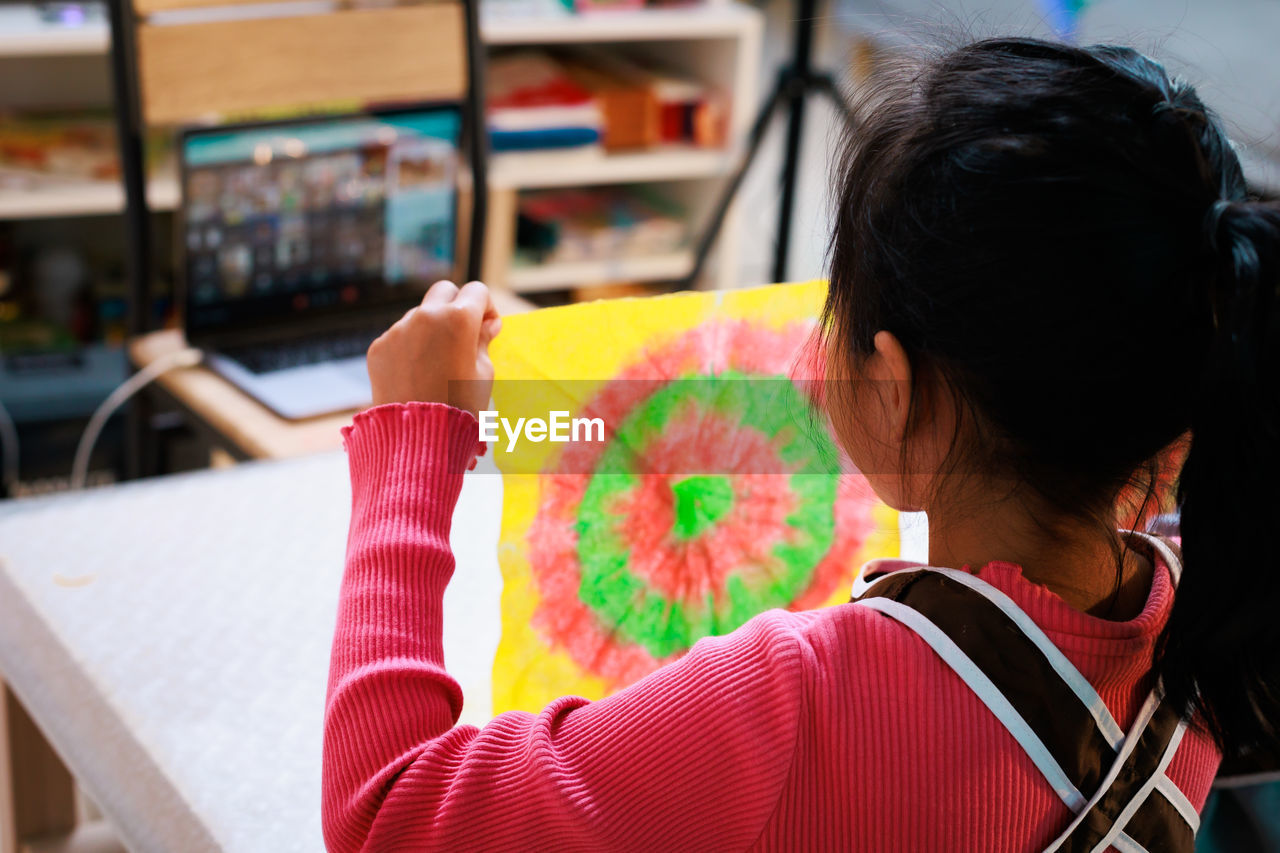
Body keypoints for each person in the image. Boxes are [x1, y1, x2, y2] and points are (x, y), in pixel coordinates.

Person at [322, 38, 1279, 851]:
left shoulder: (789, 698)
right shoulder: (1214, 617)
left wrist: (414, 438)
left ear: (897, 392)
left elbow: (388, 817)